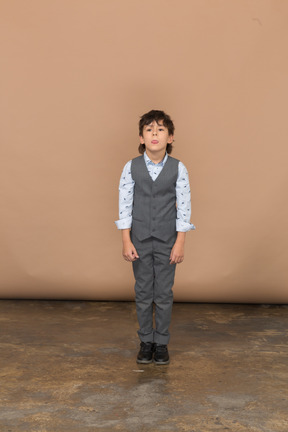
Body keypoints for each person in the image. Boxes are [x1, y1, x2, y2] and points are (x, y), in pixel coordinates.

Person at [115, 110, 195, 365]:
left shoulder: (178, 168)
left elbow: (184, 207)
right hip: (138, 239)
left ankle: (161, 343)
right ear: (141, 137)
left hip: (166, 240)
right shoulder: (131, 167)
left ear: (170, 137)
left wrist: (180, 242)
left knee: (163, 293)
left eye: (160, 129)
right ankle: (145, 341)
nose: (155, 134)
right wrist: (126, 240)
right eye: (149, 129)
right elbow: (124, 204)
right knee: (142, 292)